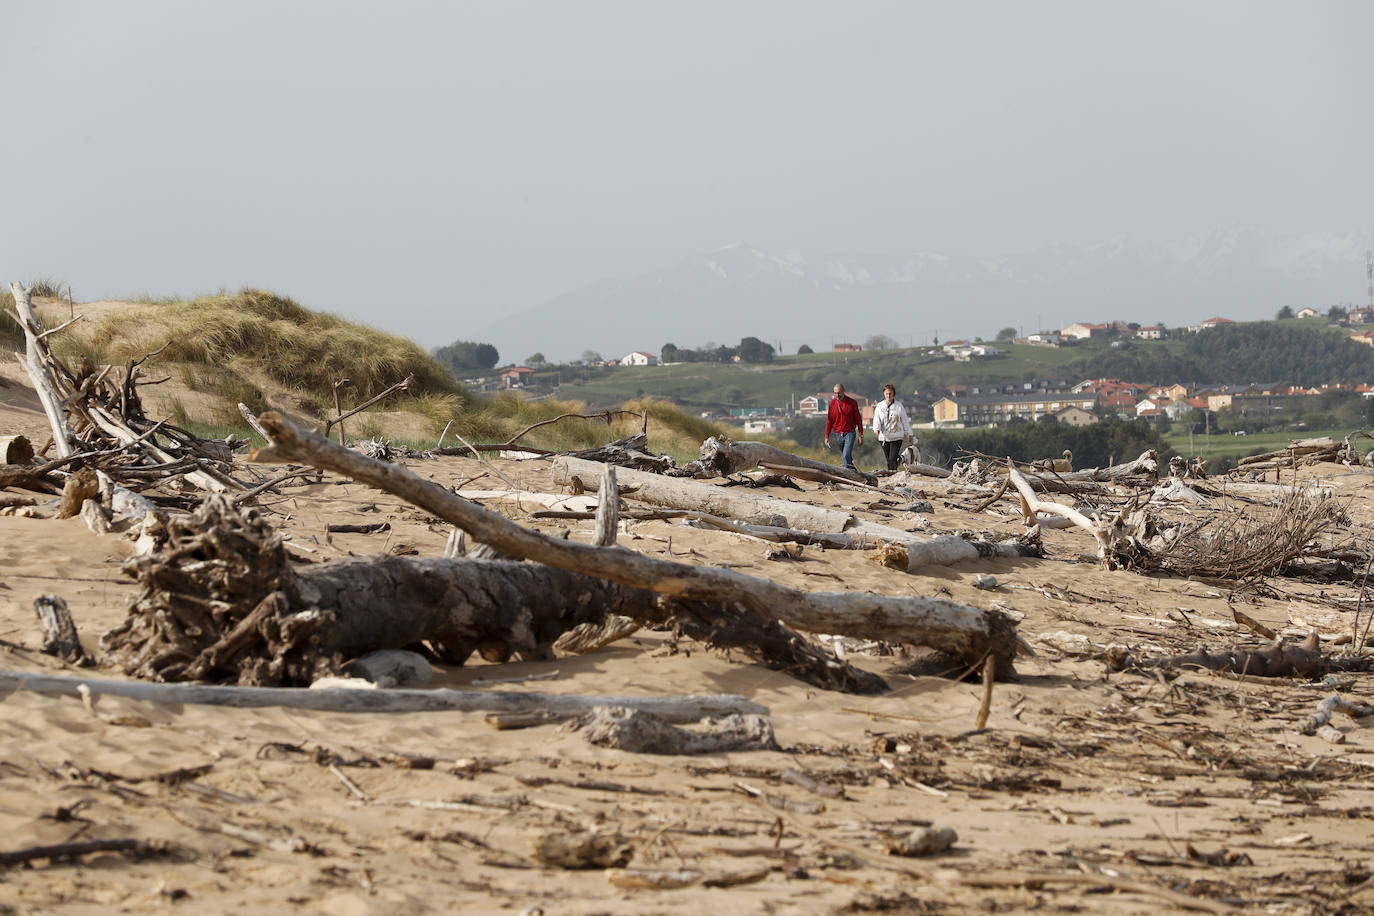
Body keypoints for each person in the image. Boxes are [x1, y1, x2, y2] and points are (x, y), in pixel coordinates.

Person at [871, 383, 914, 471]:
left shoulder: (899, 406)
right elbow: (876, 419)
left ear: (893, 394)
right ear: (884, 394)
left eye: (890, 393)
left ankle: (892, 475)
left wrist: (909, 433)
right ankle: (900, 459)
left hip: (897, 436)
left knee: (892, 459)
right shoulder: (879, 406)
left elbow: (905, 420)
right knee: (889, 459)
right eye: (887, 393)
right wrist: (876, 429)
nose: (888, 395)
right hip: (884, 437)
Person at [823, 383, 863, 470]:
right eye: (835, 393)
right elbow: (829, 421)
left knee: (845, 455)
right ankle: (854, 473)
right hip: (838, 434)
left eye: (839, 393)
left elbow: (858, 420)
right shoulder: (832, 404)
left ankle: (846, 474)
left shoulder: (852, 403)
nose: (837, 395)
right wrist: (826, 436)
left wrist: (860, 435)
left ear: (844, 391)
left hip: (850, 433)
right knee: (847, 457)